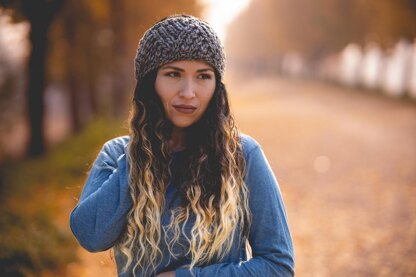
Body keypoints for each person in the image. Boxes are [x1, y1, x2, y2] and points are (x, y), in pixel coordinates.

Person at [69, 14, 294, 277]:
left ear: (216, 85)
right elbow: (90, 236)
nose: (188, 92)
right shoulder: (118, 154)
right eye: (173, 74)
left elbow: (278, 266)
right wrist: (144, 151)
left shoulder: (242, 155)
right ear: (149, 83)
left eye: (203, 76)